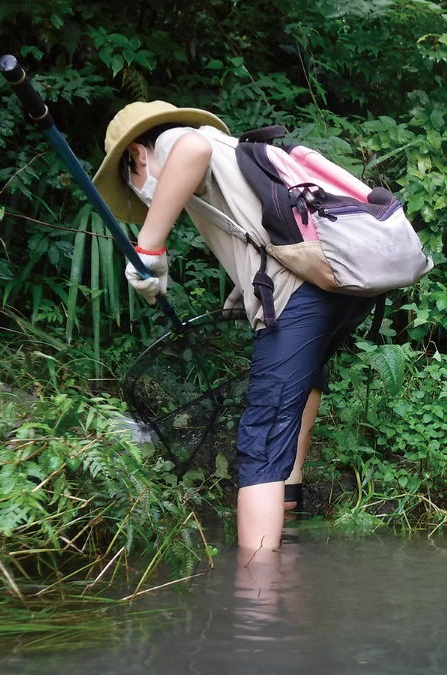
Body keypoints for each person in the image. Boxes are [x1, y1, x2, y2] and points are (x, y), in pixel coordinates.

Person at [93, 102, 375, 556]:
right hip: (342, 286)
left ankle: (257, 595)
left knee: (262, 434)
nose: (138, 188)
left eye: (129, 178)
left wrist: (148, 247)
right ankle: (287, 513)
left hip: (301, 292)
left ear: (137, 156)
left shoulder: (170, 142)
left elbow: (191, 147)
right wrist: (242, 294)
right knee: (300, 388)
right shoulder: (234, 152)